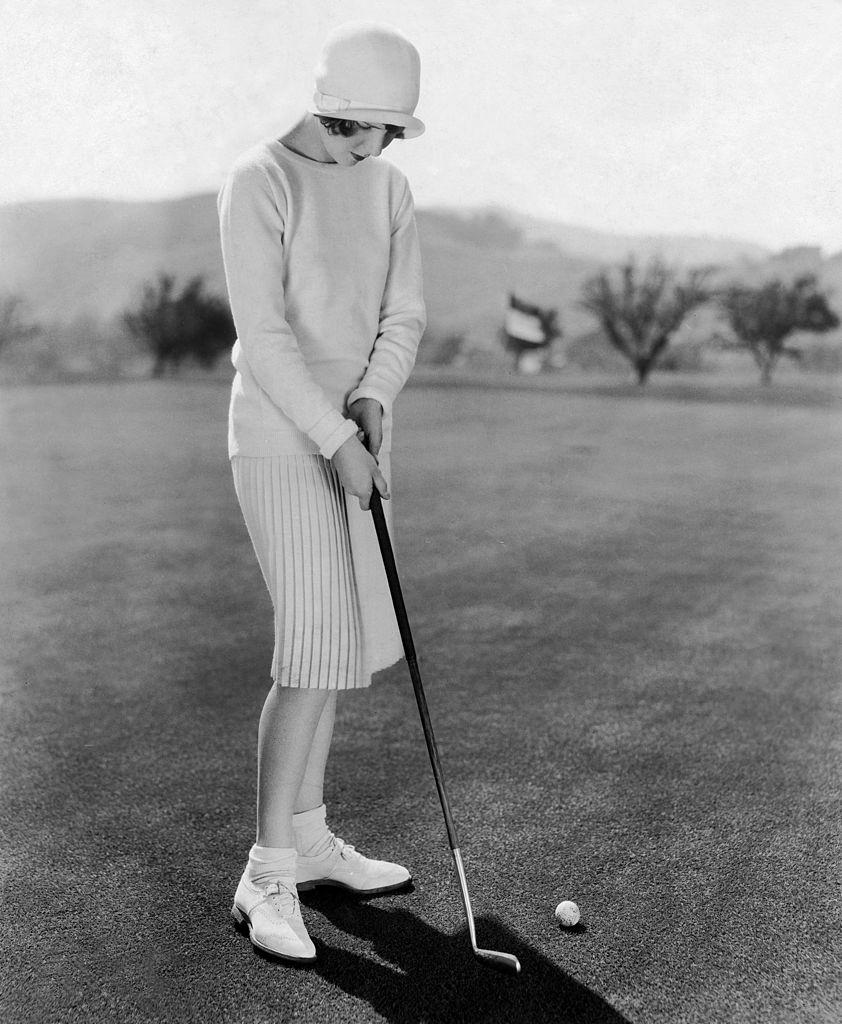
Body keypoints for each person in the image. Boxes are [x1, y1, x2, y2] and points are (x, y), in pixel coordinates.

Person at [217, 22, 426, 964]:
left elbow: (403, 311)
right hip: (277, 435)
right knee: (309, 649)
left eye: (379, 134)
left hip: (352, 431)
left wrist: (375, 396)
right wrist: (337, 434)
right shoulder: (257, 180)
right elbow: (263, 338)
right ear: (325, 106)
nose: (364, 149)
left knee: (339, 648)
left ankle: (306, 837)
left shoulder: (389, 188)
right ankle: (265, 875)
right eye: (352, 128)